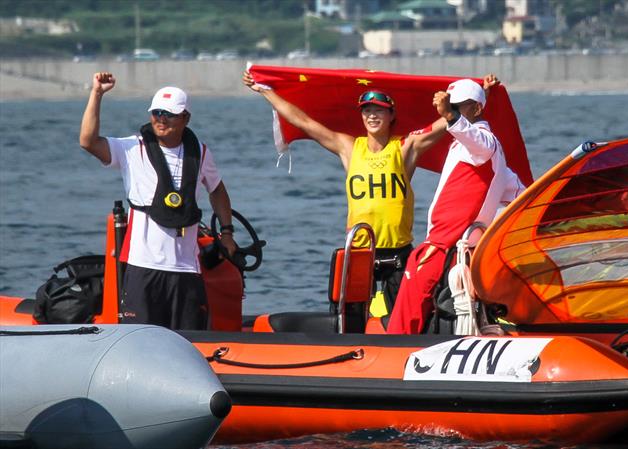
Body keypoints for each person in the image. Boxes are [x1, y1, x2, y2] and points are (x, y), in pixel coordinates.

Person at [242, 70, 458, 313]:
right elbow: (303, 122)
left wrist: (473, 96)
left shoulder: (406, 147)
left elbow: (449, 120)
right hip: (360, 250)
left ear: (391, 115)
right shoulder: (350, 148)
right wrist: (265, 91)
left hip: (398, 253)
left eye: (378, 110)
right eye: (367, 111)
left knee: (405, 318)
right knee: (349, 318)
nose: (372, 116)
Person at [79, 72, 238, 330]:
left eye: (168, 114)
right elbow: (87, 141)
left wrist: (227, 232)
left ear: (185, 118)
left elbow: (217, 190)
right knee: (142, 339)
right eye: (156, 113)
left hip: (186, 267)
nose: (160, 119)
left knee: (189, 339)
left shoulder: (201, 153)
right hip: (144, 266)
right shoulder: (132, 149)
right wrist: (96, 93)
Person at [386, 78, 519, 334]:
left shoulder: (484, 144)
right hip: (458, 251)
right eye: (450, 107)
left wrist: (450, 115)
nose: (450, 114)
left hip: (445, 248)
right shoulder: (487, 152)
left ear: (476, 110)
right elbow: (518, 194)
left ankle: (394, 349)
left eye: (457, 107)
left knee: (409, 304)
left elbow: (477, 141)